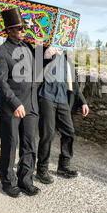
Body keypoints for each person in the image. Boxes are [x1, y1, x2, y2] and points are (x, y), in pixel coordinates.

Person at [0, 7, 40, 198]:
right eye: (19, 28)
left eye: (23, 28)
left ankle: (26, 180)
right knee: (10, 145)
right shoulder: (1, 52)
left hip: (31, 106)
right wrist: (15, 103)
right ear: (9, 30)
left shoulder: (28, 48)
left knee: (29, 145)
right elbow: (1, 83)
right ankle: (8, 182)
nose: (23, 31)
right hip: (12, 108)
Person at [35, 47, 89, 184]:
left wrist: (83, 102)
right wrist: (45, 57)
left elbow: (74, 83)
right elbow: (34, 71)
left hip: (62, 99)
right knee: (47, 134)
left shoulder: (66, 58)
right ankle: (41, 170)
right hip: (46, 97)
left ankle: (63, 166)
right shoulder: (43, 51)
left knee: (69, 132)